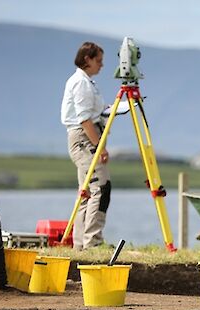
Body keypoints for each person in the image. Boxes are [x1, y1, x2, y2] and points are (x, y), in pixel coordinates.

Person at [61, 41, 111, 250]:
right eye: (98, 61)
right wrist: (99, 145)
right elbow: (84, 119)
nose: (101, 65)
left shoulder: (86, 82)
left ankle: (81, 244)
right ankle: (93, 241)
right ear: (87, 59)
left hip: (83, 137)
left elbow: (90, 113)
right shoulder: (81, 83)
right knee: (101, 186)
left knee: (86, 192)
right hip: (84, 138)